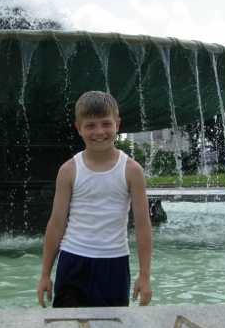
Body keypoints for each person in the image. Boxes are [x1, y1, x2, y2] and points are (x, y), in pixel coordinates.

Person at [37, 91, 153, 308]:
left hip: (114, 263)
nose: (99, 132)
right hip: (73, 260)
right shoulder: (69, 170)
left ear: (117, 125)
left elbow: (143, 225)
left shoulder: (132, 170)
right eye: (90, 125)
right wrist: (45, 274)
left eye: (106, 124)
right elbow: (56, 223)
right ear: (79, 128)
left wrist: (144, 276)